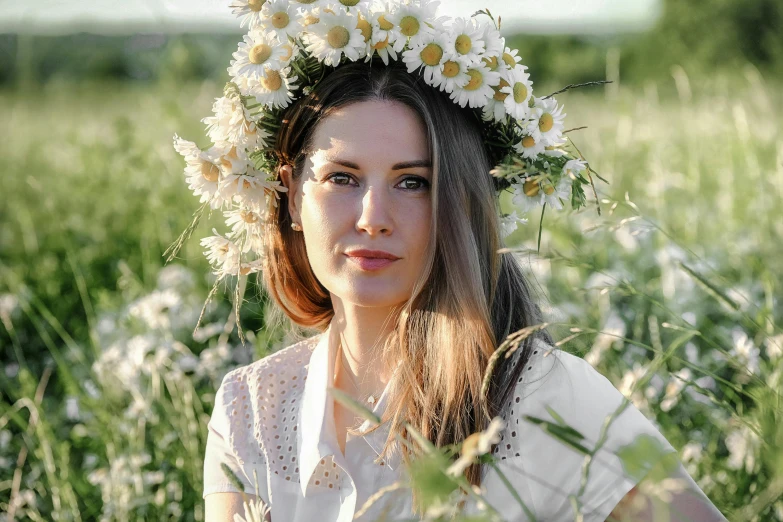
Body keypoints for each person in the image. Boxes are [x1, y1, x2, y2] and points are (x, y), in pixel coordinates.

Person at [200, 59, 728, 521]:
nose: (372, 218)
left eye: (413, 182)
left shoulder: (546, 396)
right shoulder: (251, 408)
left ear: (459, 202)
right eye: (342, 178)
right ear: (292, 197)